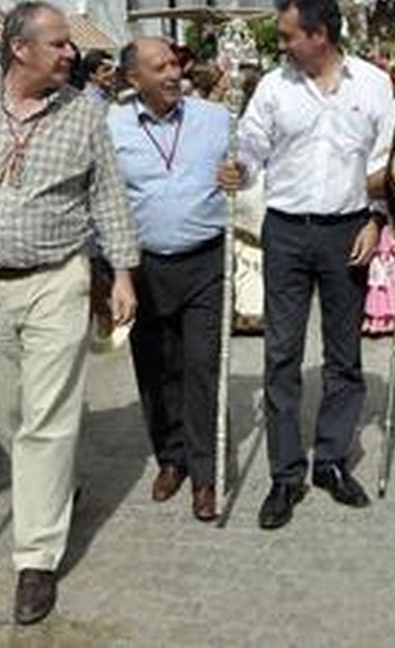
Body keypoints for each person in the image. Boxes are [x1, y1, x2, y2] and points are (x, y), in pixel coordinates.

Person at [0, 0, 139, 625]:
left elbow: (108, 194)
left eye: (69, 43)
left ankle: (35, 559)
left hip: (59, 280)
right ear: (19, 49)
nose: (70, 53)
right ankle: (52, 486)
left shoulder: (85, 112)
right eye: (57, 43)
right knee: (11, 417)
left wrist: (122, 272)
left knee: (47, 422)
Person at [219, 0, 394, 530]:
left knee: (344, 356)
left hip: (348, 231)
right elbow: (251, 147)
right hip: (288, 232)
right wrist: (238, 168)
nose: (282, 44)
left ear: (320, 35)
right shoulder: (274, 87)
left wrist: (376, 219)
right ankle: (285, 473)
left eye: (288, 35)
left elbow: (387, 161)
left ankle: (332, 461)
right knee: (281, 355)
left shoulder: (374, 84)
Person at [108, 37, 231, 523]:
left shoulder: (215, 119)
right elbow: (103, 197)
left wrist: (240, 172)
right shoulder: (112, 126)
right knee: (156, 368)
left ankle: (204, 473)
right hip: (144, 265)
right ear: (133, 78)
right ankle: (171, 458)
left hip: (205, 261)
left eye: (174, 65)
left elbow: (248, 164)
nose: (173, 74)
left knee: (201, 367)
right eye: (158, 68)